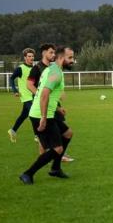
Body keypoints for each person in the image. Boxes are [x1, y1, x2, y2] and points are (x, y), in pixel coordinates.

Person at [19, 46, 75, 184]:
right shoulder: (55, 73)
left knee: (68, 133)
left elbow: (47, 95)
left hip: (49, 112)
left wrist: (57, 109)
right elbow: (43, 95)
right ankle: (28, 174)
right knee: (57, 148)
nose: (73, 61)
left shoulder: (52, 69)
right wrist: (43, 118)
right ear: (61, 58)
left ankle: (55, 168)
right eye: (70, 58)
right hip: (41, 115)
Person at [7, 48, 35, 143]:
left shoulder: (35, 68)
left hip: (34, 95)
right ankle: (37, 135)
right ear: (25, 57)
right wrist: (15, 90)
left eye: (32, 56)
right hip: (25, 96)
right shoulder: (20, 68)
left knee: (24, 115)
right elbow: (11, 79)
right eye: (29, 56)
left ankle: (13, 130)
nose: (31, 58)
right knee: (34, 115)